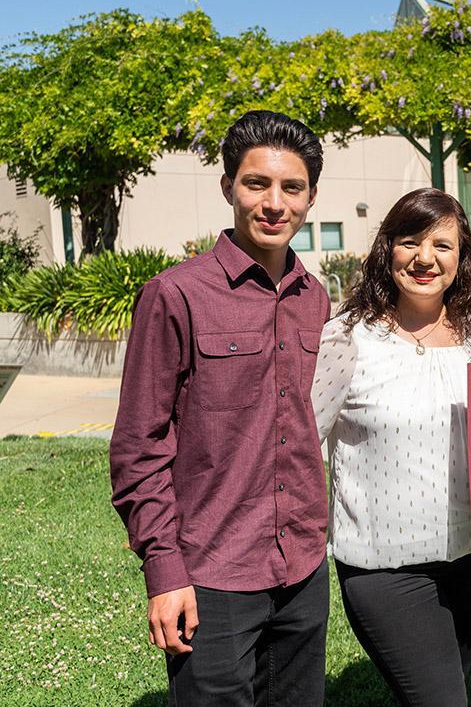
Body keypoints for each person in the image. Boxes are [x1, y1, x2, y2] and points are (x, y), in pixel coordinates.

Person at [109, 110, 330, 705]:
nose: (275, 204)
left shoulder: (315, 299)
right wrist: (164, 571)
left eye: (292, 188)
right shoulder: (175, 294)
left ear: (311, 198)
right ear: (228, 186)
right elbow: (137, 447)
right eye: (257, 184)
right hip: (212, 573)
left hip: (303, 569)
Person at [311, 188, 471, 706]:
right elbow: (302, 444)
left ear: (462, 257)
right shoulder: (347, 338)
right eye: (410, 242)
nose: (425, 258)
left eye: (442, 245)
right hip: (383, 566)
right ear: (387, 249)